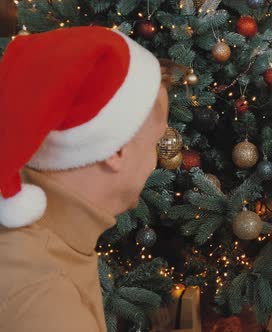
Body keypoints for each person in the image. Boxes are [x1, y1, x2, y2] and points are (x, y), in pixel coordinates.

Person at [0, 26, 169, 331]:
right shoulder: (44, 302)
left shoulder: (51, 242)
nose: (159, 160)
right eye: (156, 142)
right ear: (117, 150)